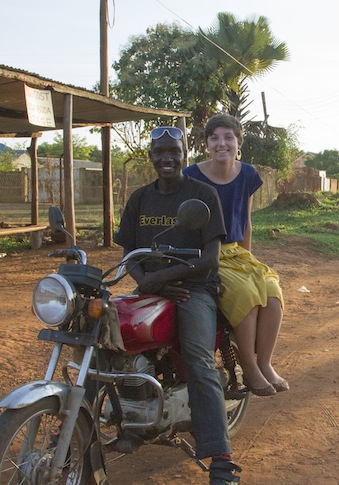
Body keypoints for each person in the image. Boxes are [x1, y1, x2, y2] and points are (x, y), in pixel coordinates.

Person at [114, 126, 241, 485]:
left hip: (194, 290)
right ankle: (128, 423)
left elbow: (211, 258)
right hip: (152, 287)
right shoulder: (140, 198)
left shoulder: (202, 195)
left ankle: (222, 461)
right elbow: (128, 255)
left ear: (185, 153)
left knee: (199, 360)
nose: (167, 159)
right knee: (110, 342)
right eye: (160, 152)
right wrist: (148, 282)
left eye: (174, 151)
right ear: (150, 156)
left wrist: (166, 280)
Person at [183, 113, 288, 397]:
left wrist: (248, 261)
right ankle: (249, 367)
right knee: (246, 296)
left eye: (228, 137)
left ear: (238, 142)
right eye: (214, 138)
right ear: (206, 143)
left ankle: (264, 363)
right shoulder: (191, 177)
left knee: (271, 291)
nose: (222, 143)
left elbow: (246, 221)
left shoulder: (248, 175)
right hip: (208, 251)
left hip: (236, 253)